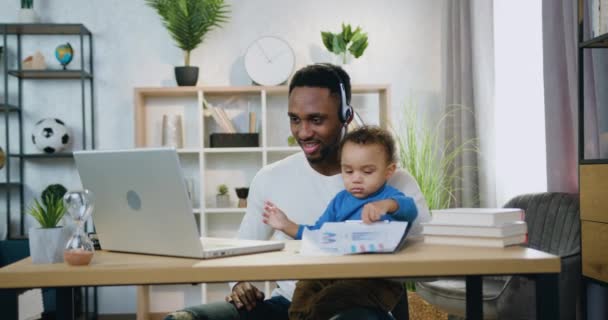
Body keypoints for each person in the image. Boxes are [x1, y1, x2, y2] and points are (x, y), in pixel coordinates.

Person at [164, 63, 430, 320]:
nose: (303, 132)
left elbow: (429, 261)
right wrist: (239, 284)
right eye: (295, 119)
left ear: (347, 115)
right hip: (292, 307)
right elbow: (243, 248)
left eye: (316, 120)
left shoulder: (395, 183)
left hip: (362, 304)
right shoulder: (271, 178)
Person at [262, 125, 417, 320]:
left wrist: (387, 205)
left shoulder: (390, 196)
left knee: (331, 297)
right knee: (305, 286)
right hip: (336, 271)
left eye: (367, 171)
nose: (356, 179)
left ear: (388, 171)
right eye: (348, 171)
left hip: (376, 280)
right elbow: (317, 233)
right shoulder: (340, 201)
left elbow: (411, 209)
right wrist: (286, 224)